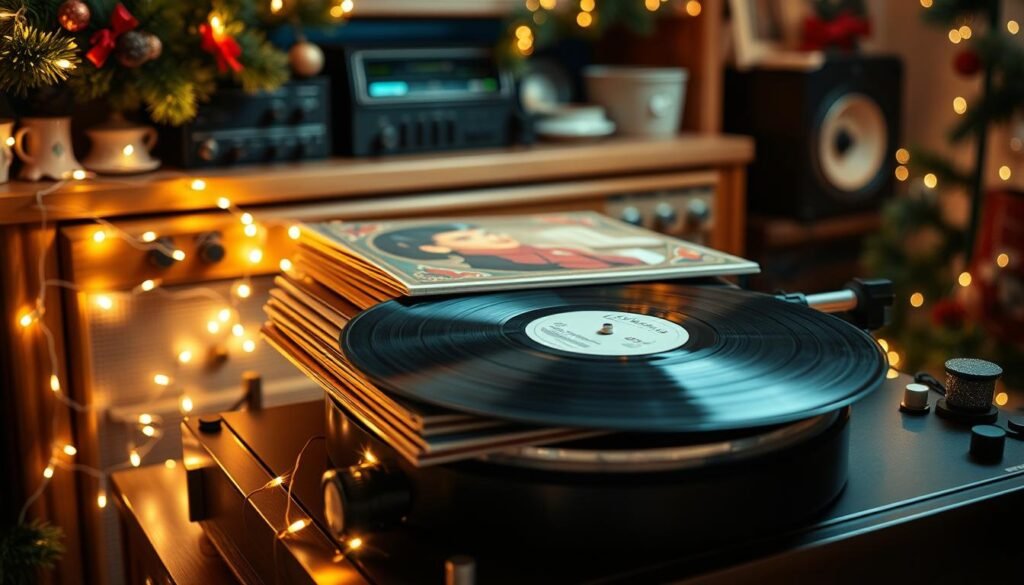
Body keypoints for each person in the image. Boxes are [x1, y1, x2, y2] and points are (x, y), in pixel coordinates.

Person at [373, 223, 647, 271]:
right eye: (466, 240)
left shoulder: (544, 246)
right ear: (435, 251)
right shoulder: (517, 262)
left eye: (480, 232)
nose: (491, 237)